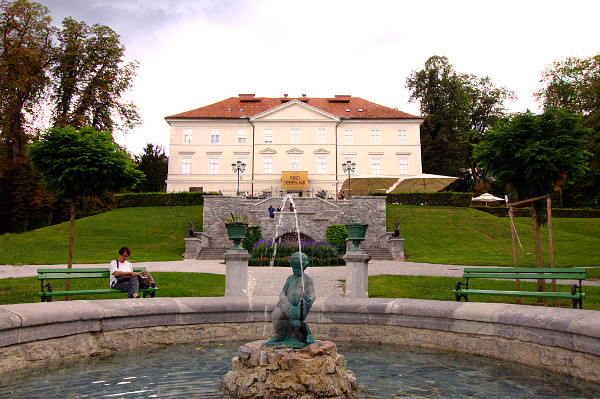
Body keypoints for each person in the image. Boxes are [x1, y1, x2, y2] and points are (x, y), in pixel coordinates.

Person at [266, 251, 316, 348]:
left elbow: (312, 293)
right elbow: (283, 291)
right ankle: (278, 335)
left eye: (298, 269)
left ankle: (303, 335)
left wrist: (311, 299)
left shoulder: (307, 279)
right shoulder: (290, 279)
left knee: (295, 322)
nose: (296, 271)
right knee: (276, 313)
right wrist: (282, 298)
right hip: (287, 306)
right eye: (294, 268)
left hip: (299, 309)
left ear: (304, 267)